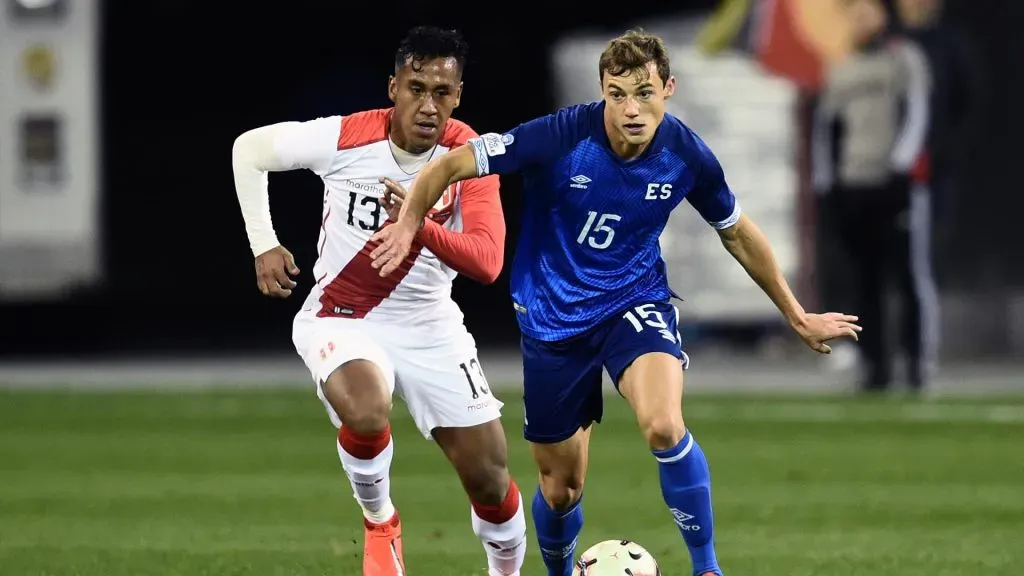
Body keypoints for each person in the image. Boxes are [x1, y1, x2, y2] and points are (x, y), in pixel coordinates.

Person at [370, 28, 861, 576]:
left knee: (664, 425)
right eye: (617, 94)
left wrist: (795, 314)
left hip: (635, 300)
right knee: (560, 489)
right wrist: (409, 221)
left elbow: (737, 232)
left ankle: (708, 568)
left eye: (644, 93)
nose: (631, 109)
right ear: (602, 90)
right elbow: (451, 164)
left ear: (668, 88)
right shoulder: (561, 136)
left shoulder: (686, 155)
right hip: (553, 319)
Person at [230, 26, 526, 576]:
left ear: (458, 96)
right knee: (367, 410)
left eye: (442, 92)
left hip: (430, 323)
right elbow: (247, 150)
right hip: (342, 315)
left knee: (491, 480)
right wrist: (263, 243)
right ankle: (380, 521)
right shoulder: (347, 136)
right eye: (417, 87)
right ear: (394, 87)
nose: (428, 105)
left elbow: (487, 262)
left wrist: (416, 223)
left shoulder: (470, 157)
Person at [812, 0, 937, 393]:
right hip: (854, 184)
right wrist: (828, 183)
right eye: (852, 12)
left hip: (894, 185)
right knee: (864, 281)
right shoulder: (840, 66)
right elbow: (825, 130)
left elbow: (917, 115)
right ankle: (874, 368)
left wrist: (901, 169)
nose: (859, 18)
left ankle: (916, 365)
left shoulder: (904, 60)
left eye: (866, 10)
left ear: (883, 15)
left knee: (906, 276)